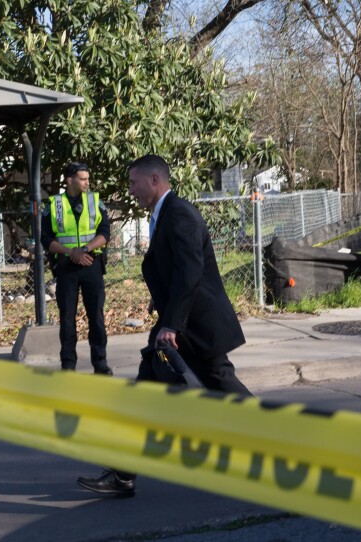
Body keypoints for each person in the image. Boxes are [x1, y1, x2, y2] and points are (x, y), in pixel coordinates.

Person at [76, 154, 252, 497]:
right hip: (180, 326)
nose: (131, 191)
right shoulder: (165, 214)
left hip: (195, 329)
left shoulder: (179, 214)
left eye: (134, 183)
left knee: (225, 388)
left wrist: (171, 323)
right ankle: (124, 475)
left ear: (154, 180)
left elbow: (191, 273)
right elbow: (175, 272)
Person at [41, 162, 113, 375]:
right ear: (69, 180)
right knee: (67, 318)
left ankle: (100, 364)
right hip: (66, 266)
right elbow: (46, 238)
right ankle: (68, 366)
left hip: (91, 264)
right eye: (82, 179)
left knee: (96, 316)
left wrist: (84, 249)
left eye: (88, 179)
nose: (87, 183)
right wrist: (71, 252)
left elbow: (105, 233)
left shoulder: (95, 202)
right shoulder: (54, 204)